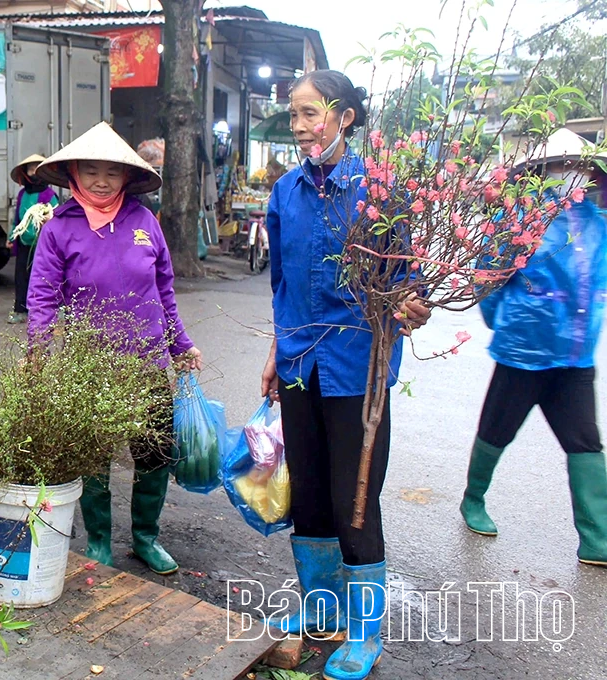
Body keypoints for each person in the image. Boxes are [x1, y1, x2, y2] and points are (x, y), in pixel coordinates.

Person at [259, 70, 430, 680]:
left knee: (352, 500)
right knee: (308, 494)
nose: (301, 127)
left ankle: (365, 633)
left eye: (312, 113)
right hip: (301, 362)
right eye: (295, 117)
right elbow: (281, 284)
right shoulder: (284, 194)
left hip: (359, 367)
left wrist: (412, 305)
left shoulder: (379, 194)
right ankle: (321, 613)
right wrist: (277, 353)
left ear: (346, 117)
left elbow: (407, 280)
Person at [28, 122, 203, 575]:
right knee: (91, 458)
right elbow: (43, 296)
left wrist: (181, 344)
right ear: (74, 173)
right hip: (91, 366)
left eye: (111, 172)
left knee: (154, 454)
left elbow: (164, 291)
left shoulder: (144, 221)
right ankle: (100, 542)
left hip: (147, 365)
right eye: (91, 171)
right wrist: (39, 350)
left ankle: (146, 537)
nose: (101, 180)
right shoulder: (58, 229)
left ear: (127, 177)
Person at [460, 129, 607, 568]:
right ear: (542, 173)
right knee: (496, 431)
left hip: (575, 357)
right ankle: (473, 500)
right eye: (561, 167)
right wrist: (502, 322)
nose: (570, 176)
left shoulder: (597, 224)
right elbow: (486, 279)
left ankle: (597, 538)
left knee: (584, 442)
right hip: (523, 350)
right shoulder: (521, 221)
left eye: (577, 168)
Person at [7, 154, 58, 324]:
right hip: (23, 242)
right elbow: (17, 219)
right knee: (21, 276)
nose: (33, 172)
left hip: (42, 244)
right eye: (30, 168)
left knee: (44, 277)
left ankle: (48, 309)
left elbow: (56, 220)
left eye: (37, 168)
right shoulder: (23, 194)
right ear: (25, 173)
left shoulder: (49, 194)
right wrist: (11, 237)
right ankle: (21, 310)